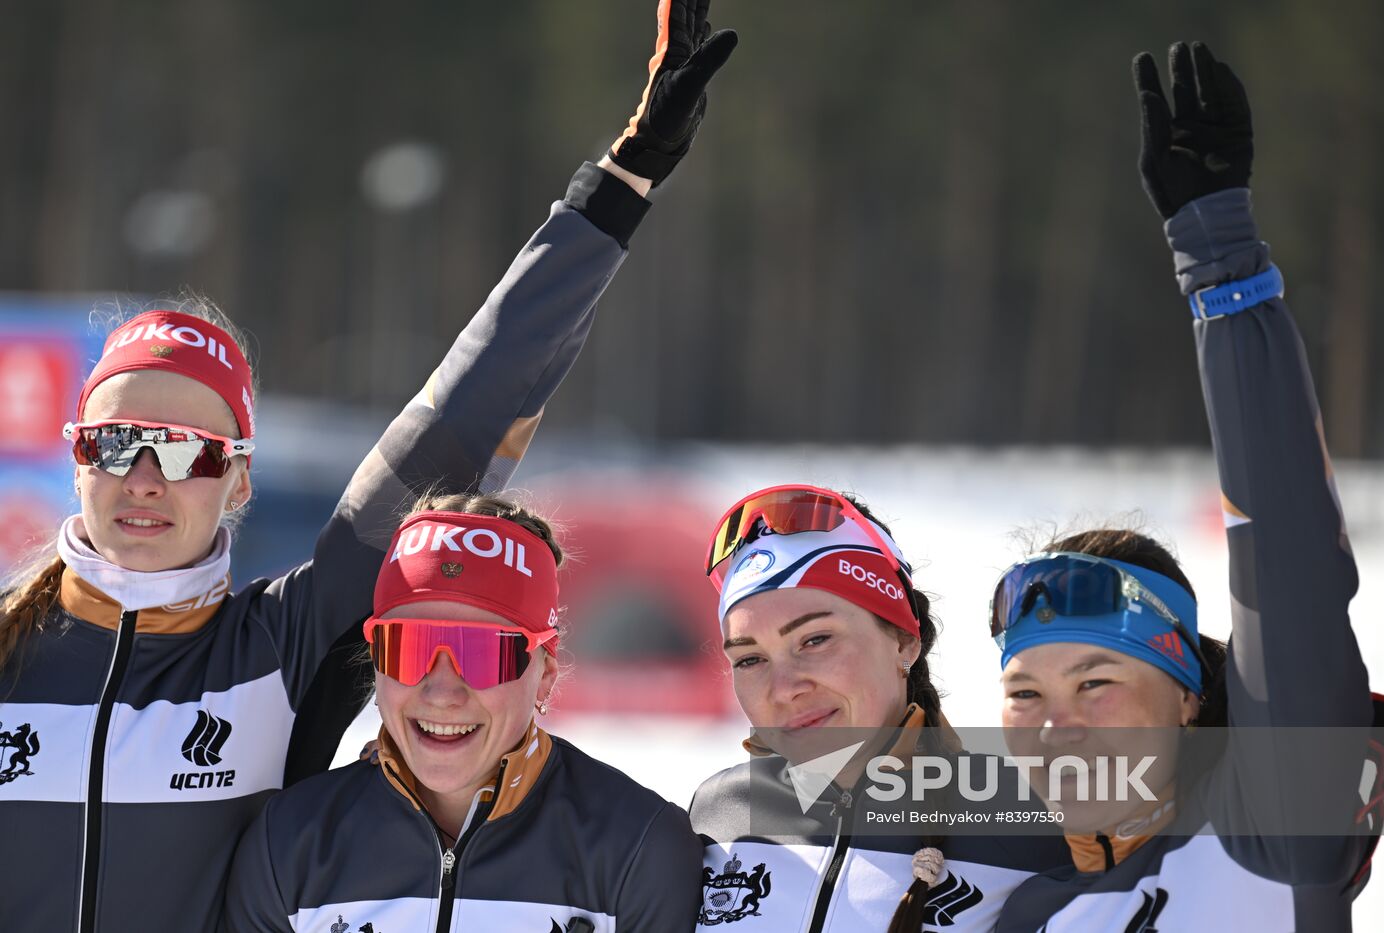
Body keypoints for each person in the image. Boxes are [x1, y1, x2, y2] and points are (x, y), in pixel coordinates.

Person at [0, 0, 733, 926]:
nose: (146, 475)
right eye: (116, 443)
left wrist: (620, 184)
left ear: (239, 482)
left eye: (189, 452)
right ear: (75, 457)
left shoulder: (281, 648)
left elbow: (467, 408)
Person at [990, 42, 1384, 931]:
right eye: (1026, 693)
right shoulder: (1019, 911)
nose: (1058, 727)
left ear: (1186, 697)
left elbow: (1287, 563)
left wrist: (1222, 267)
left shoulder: (1269, 835)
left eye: (1098, 682)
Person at [223, 494, 704, 930]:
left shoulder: (639, 846)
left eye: (483, 654)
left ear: (546, 673)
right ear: (376, 663)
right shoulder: (287, 845)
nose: (442, 691)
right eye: (408, 648)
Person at [688, 484, 1070, 932]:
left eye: (815, 640)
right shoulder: (719, 813)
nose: (784, 688)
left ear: (904, 641)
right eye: (750, 659)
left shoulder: (1031, 818)